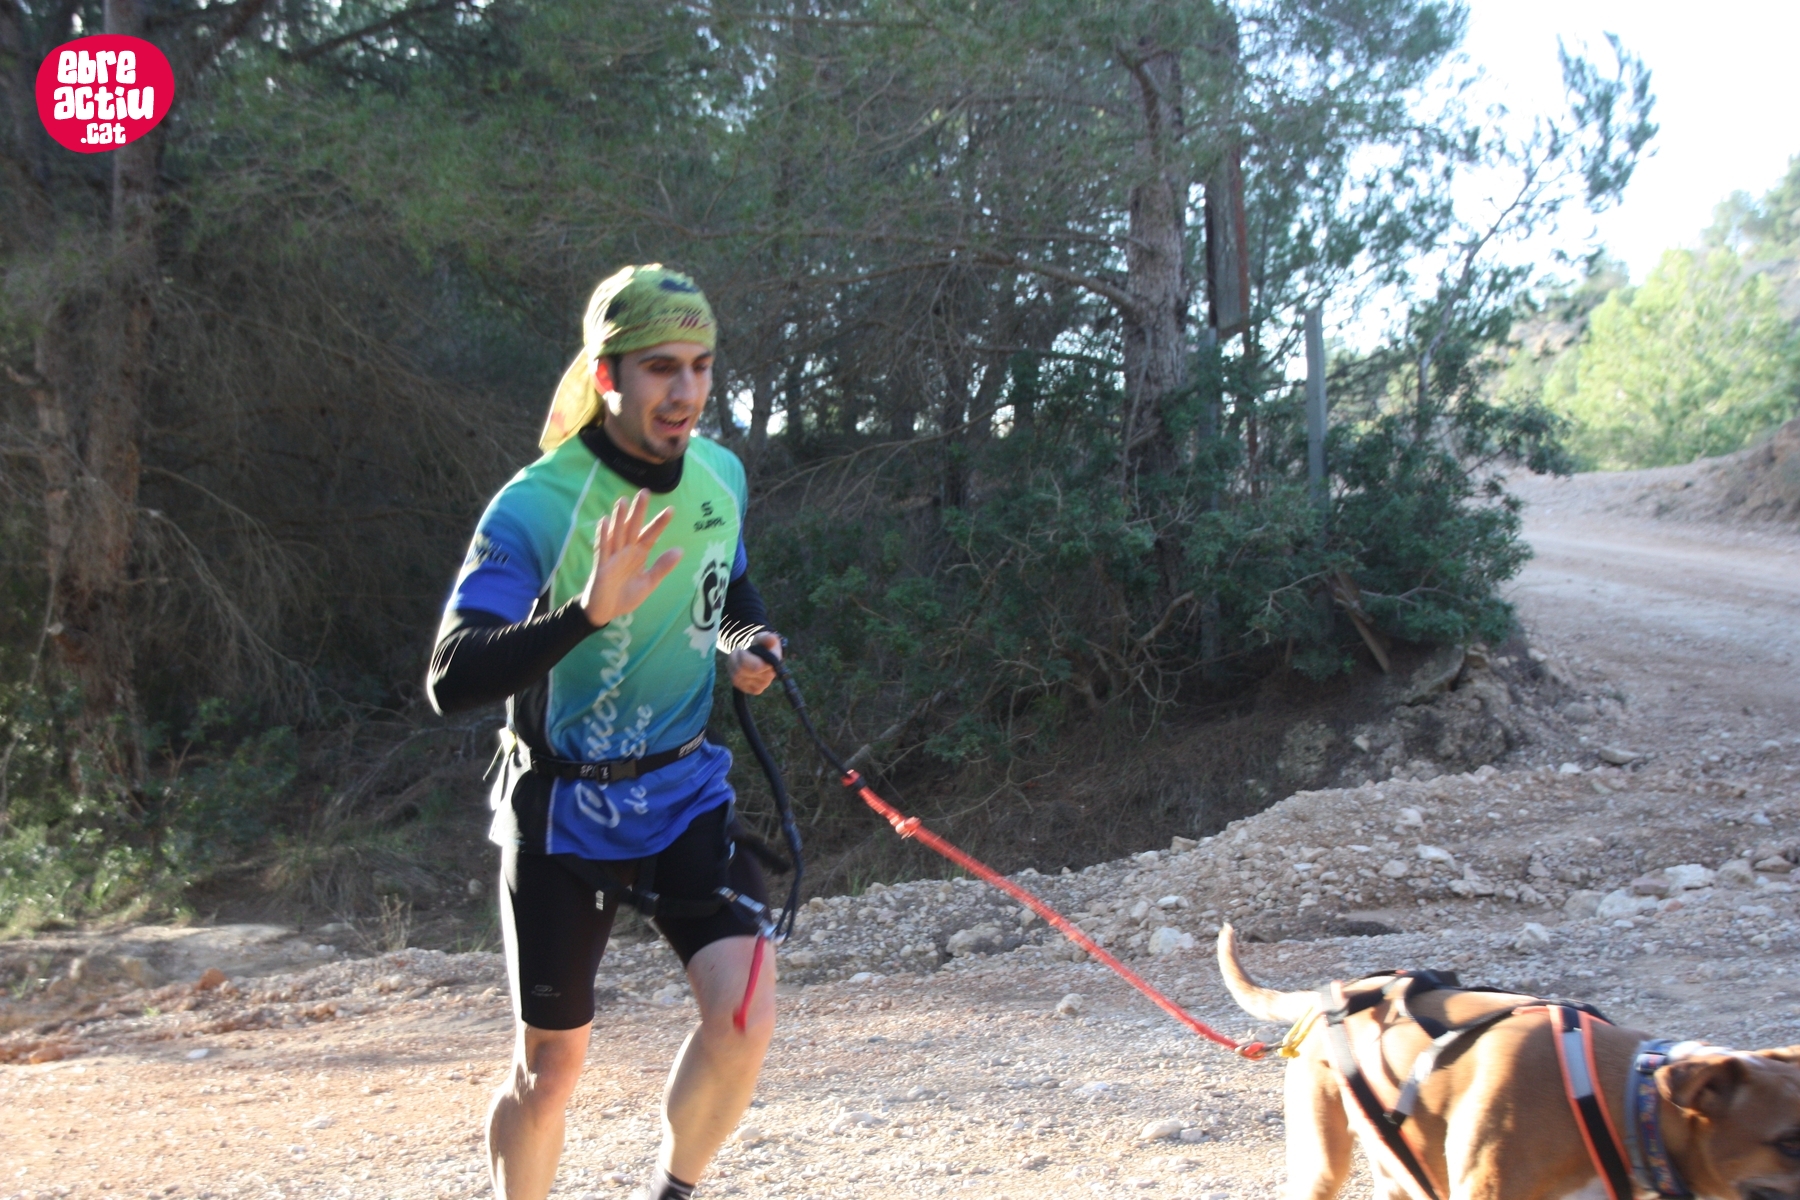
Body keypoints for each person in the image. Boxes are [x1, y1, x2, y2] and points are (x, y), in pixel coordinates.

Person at [427, 264, 782, 1200]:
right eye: (661, 367)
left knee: (744, 1017)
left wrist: (745, 642)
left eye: (701, 365)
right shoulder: (539, 502)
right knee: (550, 1072)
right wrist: (584, 613)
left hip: (684, 792)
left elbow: (731, 585)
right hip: (564, 813)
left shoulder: (721, 475)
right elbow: (451, 675)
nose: (686, 391)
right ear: (606, 375)